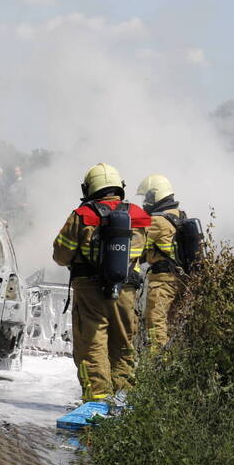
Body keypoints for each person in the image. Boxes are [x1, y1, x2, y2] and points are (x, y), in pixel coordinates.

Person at [52, 163, 150, 401]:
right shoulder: (138, 216)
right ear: (119, 187)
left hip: (89, 293)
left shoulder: (82, 216)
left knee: (92, 347)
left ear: (89, 188)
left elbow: (60, 255)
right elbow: (145, 254)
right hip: (126, 292)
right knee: (124, 347)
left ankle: (97, 403)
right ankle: (123, 403)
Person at [137, 174, 187, 347]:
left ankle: (157, 365)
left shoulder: (157, 220)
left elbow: (136, 246)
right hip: (180, 280)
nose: (145, 202)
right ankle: (172, 363)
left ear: (156, 195)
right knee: (171, 323)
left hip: (163, 281)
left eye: (147, 197)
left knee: (155, 322)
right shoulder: (179, 215)